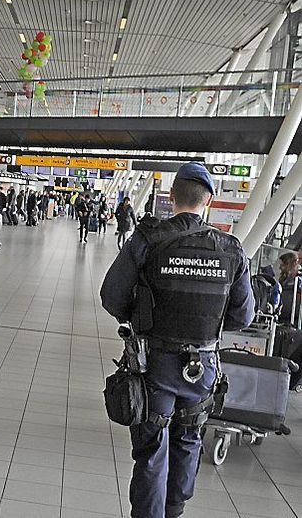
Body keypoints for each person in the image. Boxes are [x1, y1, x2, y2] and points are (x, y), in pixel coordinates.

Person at [100, 162, 255, 518]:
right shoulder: (230, 249)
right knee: (189, 439)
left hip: (154, 364)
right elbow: (243, 316)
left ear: (171, 197)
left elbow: (111, 297)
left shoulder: (147, 240)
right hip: (203, 368)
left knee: (152, 446)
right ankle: (175, 510)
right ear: (209, 200)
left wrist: (136, 315)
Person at [278, 251, 300, 326]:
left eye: (283, 265)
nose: (280, 267)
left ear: (289, 265)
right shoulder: (284, 280)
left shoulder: (298, 281)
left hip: (292, 321)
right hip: (282, 318)